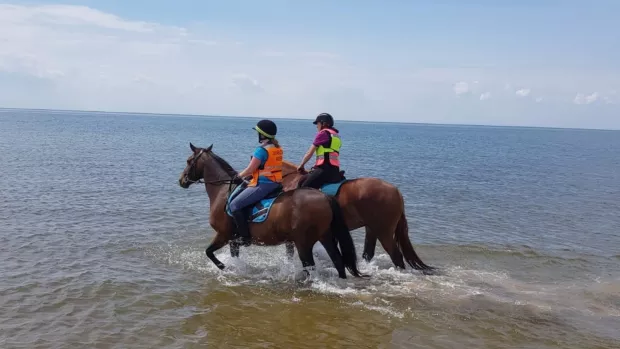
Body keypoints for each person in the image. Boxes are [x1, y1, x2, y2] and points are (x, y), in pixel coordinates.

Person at [229, 119, 283, 245]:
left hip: (263, 185)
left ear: (262, 134)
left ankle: (245, 238)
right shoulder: (277, 148)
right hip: (276, 183)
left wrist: (238, 175)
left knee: (234, 205)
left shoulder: (261, 150)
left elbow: (250, 169)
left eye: (258, 132)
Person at [297, 112, 343, 189]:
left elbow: (309, 153)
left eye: (317, 124)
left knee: (303, 189)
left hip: (324, 169)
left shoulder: (323, 133)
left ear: (323, 123)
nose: (317, 126)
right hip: (335, 170)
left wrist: (301, 165)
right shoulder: (336, 135)